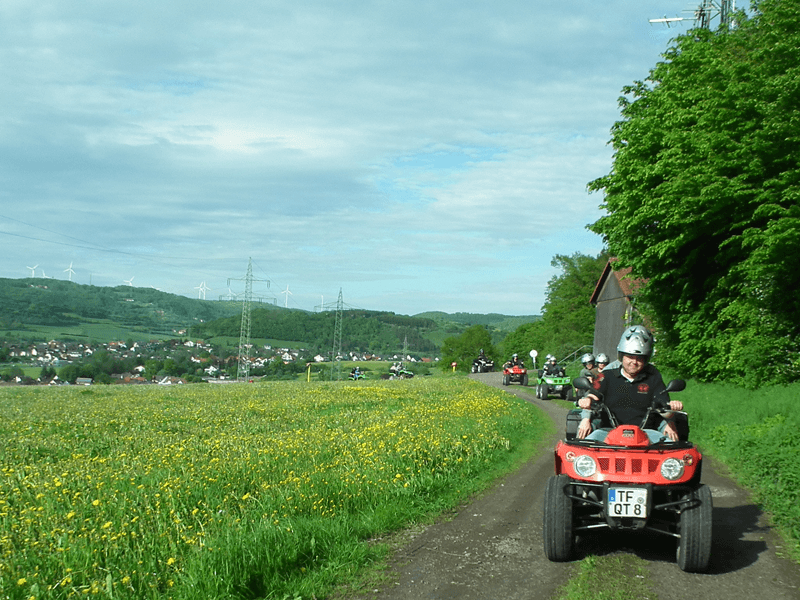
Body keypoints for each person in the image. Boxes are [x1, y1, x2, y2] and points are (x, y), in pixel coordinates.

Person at [576, 326, 683, 443]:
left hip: (647, 433)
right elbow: (594, 394)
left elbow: (662, 404)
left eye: (639, 358)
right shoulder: (605, 375)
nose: (634, 362)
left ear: (646, 359)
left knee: (671, 448)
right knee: (585, 445)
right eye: (630, 357)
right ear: (622, 357)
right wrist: (586, 402)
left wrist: (671, 414)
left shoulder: (653, 377)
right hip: (607, 431)